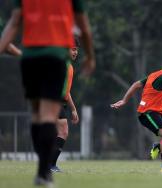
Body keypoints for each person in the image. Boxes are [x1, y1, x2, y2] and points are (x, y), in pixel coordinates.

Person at [0, 0, 95, 186]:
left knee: (37, 116)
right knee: (48, 117)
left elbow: (13, 23)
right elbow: (84, 26)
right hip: (55, 56)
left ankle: (44, 168)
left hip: (31, 58)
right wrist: (90, 57)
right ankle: (43, 173)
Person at [50, 38, 80, 172]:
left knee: (59, 132)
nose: (76, 52)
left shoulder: (69, 66)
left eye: (77, 50)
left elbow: (67, 92)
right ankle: (50, 165)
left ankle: (49, 165)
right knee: (63, 131)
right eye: (73, 49)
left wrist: (73, 109)